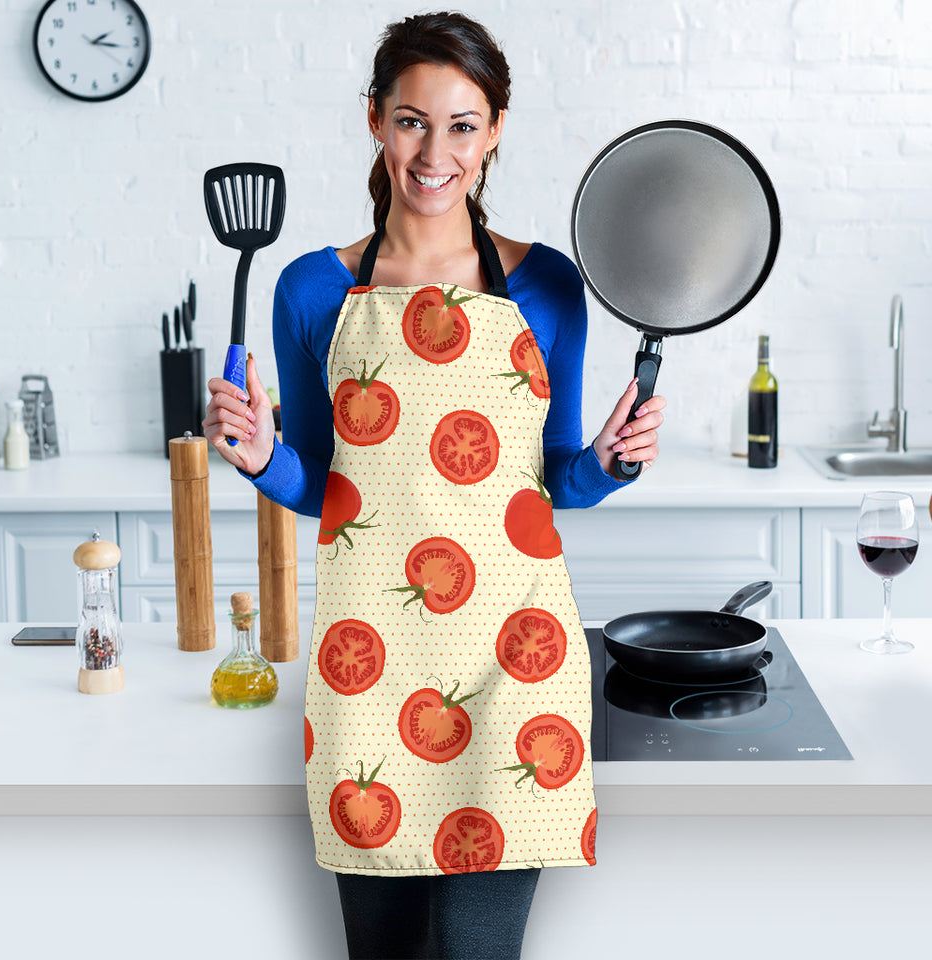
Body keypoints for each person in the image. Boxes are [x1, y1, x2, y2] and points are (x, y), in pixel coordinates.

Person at [204, 12, 665, 960]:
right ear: (375, 120)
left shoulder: (546, 284)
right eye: (413, 121)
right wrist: (260, 458)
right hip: (370, 667)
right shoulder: (311, 289)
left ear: (495, 130)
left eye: (463, 124)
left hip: (515, 657)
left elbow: (554, 483)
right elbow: (326, 486)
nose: (435, 151)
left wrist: (611, 462)